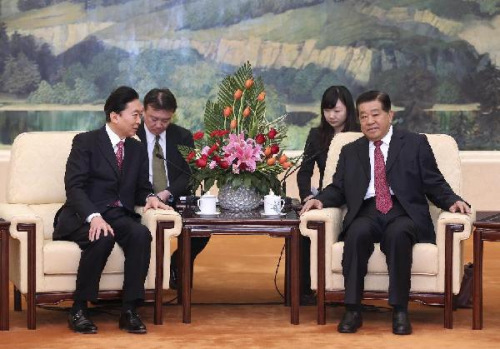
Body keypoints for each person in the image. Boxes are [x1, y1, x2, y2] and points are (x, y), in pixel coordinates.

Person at [300, 90, 470, 335]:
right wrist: (320, 200)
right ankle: (352, 309)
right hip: (367, 210)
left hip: (403, 211)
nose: (369, 121)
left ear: (390, 114)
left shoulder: (414, 143)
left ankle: (400, 310)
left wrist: (452, 200)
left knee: (398, 235)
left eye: (375, 114)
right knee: (356, 234)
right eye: (363, 116)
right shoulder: (351, 151)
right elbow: (338, 187)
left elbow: (434, 182)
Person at [53, 86, 171, 334]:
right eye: (135, 114)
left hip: (117, 214)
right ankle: (79, 309)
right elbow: (74, 187)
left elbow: (141, 187)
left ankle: (129, 310)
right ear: (115, 116)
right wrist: (93, 216)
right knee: (102, 236)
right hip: (83, 215)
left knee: (140, 234)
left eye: (141, 115)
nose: (140, 121)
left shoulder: (137, 148)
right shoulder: (86, 142)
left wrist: (149, 197)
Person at [136, 88, 210, 290]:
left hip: (174, 199)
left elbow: (188, 174)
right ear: (143, 111)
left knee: (202, 229)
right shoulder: (132, 135)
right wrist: (150, 196)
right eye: (154, 119)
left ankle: (177, 264)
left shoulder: (182, 136)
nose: (159, 125)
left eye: (165, 120)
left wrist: (167, 193)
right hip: (141, 200)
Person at [296, 85, 359, 304]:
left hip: (353, 198)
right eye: (327, 110)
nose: (331, 116)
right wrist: (306, 196)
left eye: (337, 111)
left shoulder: (359, 134)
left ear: (348, 110)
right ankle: (305, 290)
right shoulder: (316, 135)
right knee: (304, 227)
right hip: (327, 199)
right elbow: (304, 171)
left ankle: (342, 289)